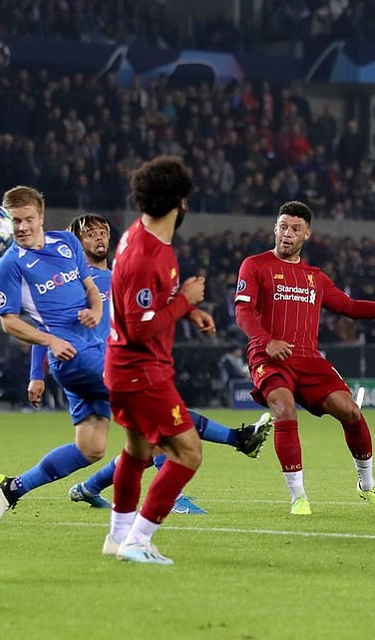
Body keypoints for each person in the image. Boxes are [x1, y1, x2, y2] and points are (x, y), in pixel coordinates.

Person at [26, 213, 272, 516]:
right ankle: (199, 474)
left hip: (108, 368)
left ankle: (47, 487)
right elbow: (45, 326)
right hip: (87, 369)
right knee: (159, 416)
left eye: (102, 232)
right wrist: (36, 374)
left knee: (93, 448)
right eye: (90, 234)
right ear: (75, 243)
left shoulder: (118, 276)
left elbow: (154, 304)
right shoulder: (70, 283)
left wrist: (191, 313)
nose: (99, 238)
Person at [234, 200, 375, 515]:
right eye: (283, 226)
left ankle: (367, 485)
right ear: (275, 228)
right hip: (269, 356)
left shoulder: (315, 278)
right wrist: (265, 340)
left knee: (351, 411)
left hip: (308, 359)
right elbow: (243, 310)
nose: (287, 234)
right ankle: (298, 497)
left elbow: (351, 307)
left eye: (295, 229)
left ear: (307, 234)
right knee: (285, 408)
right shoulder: (255, 265)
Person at [103, 156, 215, 564]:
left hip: (124, 370)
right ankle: (139, 539)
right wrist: (184, 300)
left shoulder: (141, 235)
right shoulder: (146, 255)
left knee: (137, 452)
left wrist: (187, 310)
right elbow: (138, 328)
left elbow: (149, 308)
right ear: (181, 203)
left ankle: (118, 536)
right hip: (141, 372)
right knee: (188, 452)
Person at [0, 186, 108, 526]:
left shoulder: (66, 243)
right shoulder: (9, 265)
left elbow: (90, 287)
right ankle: (230, 439)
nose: (21, 227)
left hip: (94, 347)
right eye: (15, 221)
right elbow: (9, 323)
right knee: (148, 402)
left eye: (27, 219)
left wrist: (96, 310)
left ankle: (12, 489)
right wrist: (50, 342)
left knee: (92, 447)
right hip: (73, 359)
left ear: (41, 217)